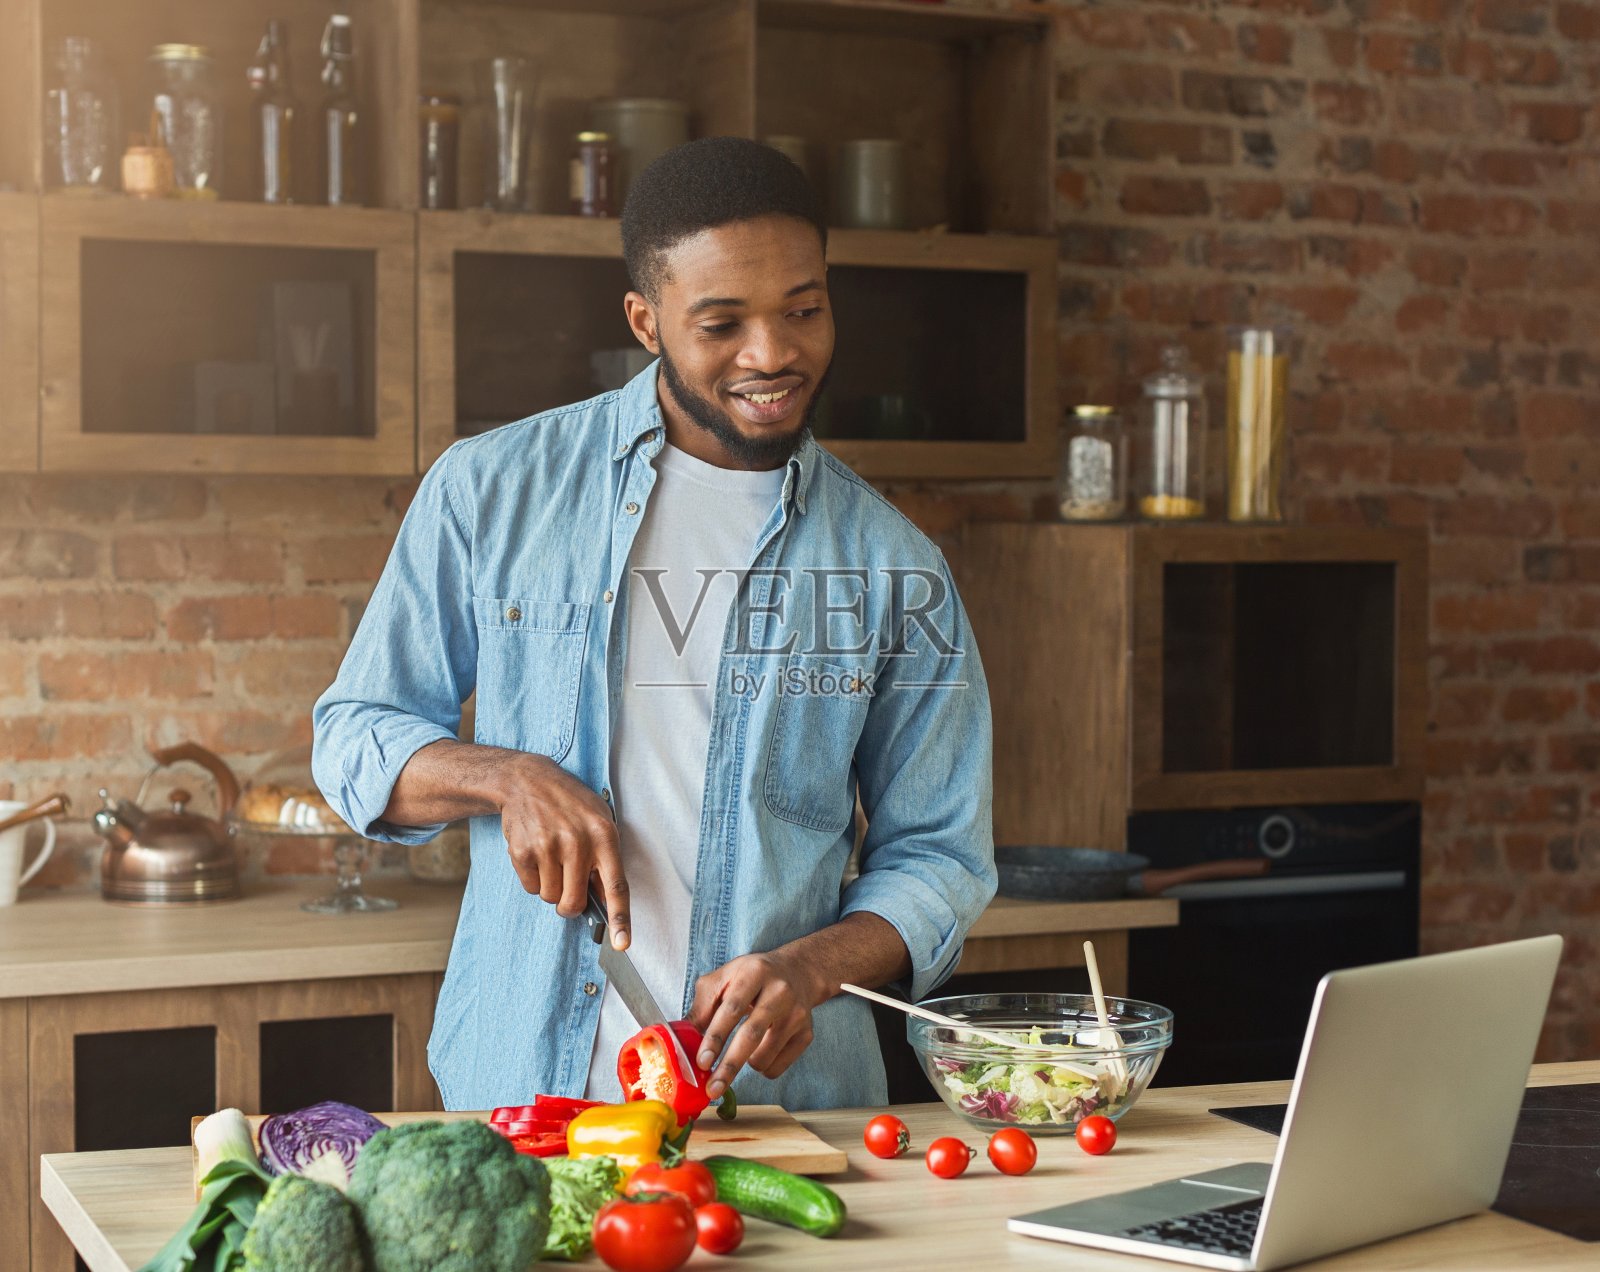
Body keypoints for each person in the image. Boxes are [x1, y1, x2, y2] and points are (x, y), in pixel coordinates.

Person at [312, 136, 995, 1111]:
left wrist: (807, 969)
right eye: (721, 323)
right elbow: (351, 735)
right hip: (527, 1097)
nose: (773, 355)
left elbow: (941, 858)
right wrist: (504, 777)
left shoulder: (894, 567)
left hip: (782, 1113)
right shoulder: (492, 489)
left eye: (803, 309)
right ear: (646, 321)